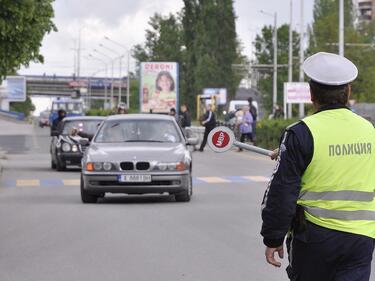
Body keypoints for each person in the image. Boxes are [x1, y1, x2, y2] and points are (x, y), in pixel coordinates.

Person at [261, 52, 375, 281]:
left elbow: (282, 190)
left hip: (315, 239)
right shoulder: (370, 130)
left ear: (311, 94)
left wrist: (273, 238)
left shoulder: (301, 133)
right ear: (348, 92)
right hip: (361, 239)